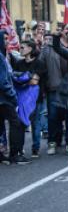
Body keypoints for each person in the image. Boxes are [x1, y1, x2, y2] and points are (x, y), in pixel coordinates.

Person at [38, 23, 68, 155]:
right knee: (53, 116)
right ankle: (53, 142)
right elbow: (40, 66)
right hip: (54, 86)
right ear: (62, 31)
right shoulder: (49, 48)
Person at [0, 31, 29, 164]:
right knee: (16, 123)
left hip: (4, 97)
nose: (7, 41)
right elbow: (3, 81)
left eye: (7, 38)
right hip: (4, 98)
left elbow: (9, 74)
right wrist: (12, 96)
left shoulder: (4, 55)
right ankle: (14, 154)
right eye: (4, 38)